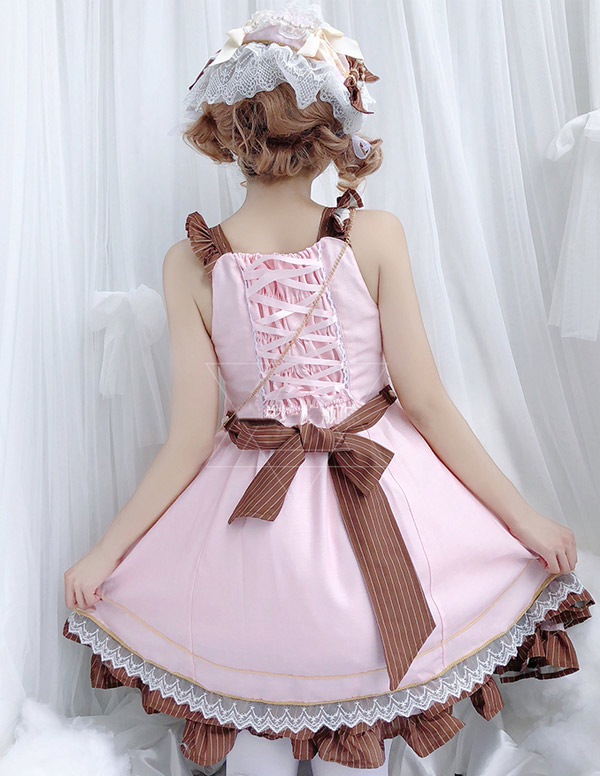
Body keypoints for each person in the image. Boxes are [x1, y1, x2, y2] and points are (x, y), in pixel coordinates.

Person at [62, 4, 595, 774]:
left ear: (225, 134)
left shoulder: (191, 264)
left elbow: (189, 440)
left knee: (252, 702)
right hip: (382, 484)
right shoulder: (373, 235)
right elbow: (425, 401)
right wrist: (524, 518)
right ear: (329, 132)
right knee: (369, 692)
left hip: (253, 524)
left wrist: (106, 554)